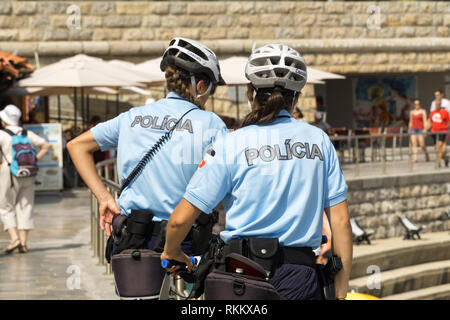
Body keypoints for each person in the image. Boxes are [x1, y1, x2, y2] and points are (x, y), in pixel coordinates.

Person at [161, 44, 352, 300]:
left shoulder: (231, 143)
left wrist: (172, 251)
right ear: (295, 98)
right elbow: (341, 222)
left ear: (250, 93)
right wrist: (340, 291)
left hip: (242, 276)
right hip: (300, 277)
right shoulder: (319, 141)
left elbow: (179, 220)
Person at [67, 37, 227, 292]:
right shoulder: (212, 124)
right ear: (201, 84)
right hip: (187, 239)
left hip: (135, 236)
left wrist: (104, 197)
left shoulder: (133, 117)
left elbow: (77, 146)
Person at [0, 104, 50, 253]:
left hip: (8, 172)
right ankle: (23, 243)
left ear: (4, 120)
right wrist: (35, 159)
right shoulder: (26, 133)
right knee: (25, 206)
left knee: (5, 206)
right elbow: (46, 145)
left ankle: (14, 238)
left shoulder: (1, 134)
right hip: (28, 172)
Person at [427, 99, 449, 168]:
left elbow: (448, 121)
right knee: (437, 148)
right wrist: (426, 129)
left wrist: (447, 129)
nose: (436, 106)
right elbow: (430, 122)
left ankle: (438, 162)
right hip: (434, 132)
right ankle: (446, 158)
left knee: (439, 146)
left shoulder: (445, 112)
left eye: (438, 104)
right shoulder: (432, 113)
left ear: (440, 105)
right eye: (435, 105)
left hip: (442, 132)